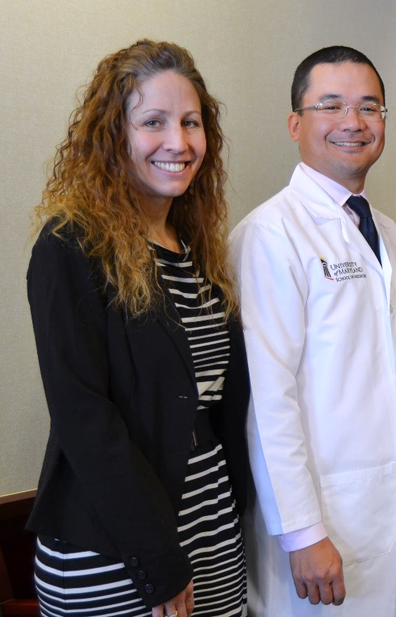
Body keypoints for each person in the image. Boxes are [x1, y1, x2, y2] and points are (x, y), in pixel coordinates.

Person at [26, 40, 250, 617]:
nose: (178, 142)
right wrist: (159, 562)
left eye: (190, 122)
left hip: (211, 535)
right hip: (117, 551)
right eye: (153, 122)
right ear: (113, 135)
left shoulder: (197, 249)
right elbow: (85, 420)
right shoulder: (71, 246)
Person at [230, 46, 396, 616]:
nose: (353, 122)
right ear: (296, 124)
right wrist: (301, 531)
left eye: (370, 107)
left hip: (389, 508)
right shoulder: (271, 234)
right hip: (321, 525)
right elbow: (268, 399)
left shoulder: (386, 232)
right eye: (331, 105)